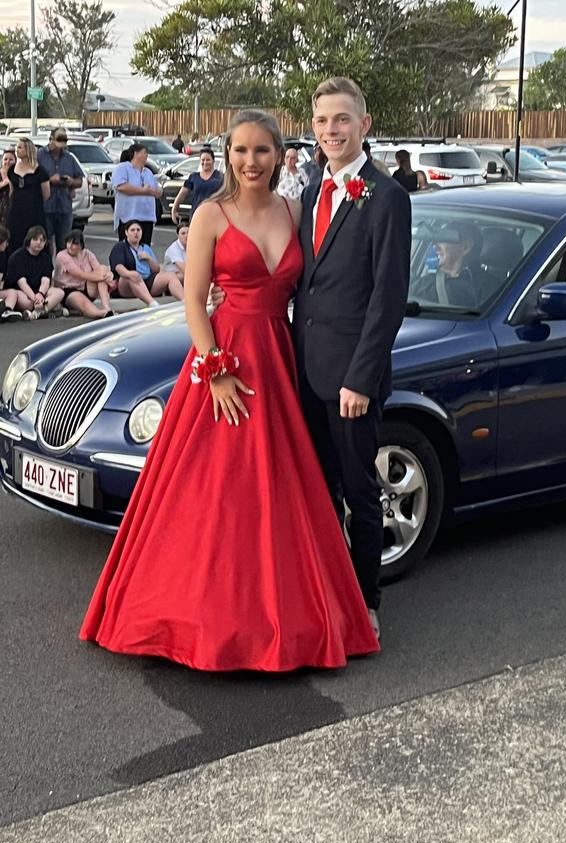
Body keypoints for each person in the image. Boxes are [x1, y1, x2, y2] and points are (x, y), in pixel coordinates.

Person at [79, 109, 379, 672]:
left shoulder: (297, 209)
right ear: (226, 155)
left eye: (261, 151)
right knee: (214, 491)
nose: (250, 162)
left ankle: (286, 616)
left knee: (282, 490)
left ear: (277, 155)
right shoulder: (212, 214)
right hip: (225, 359)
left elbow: (330, 282)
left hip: (280, 356)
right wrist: (215, 368)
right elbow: (193, 299)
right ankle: (200, 617)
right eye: (240, 151)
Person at [293, 77, 411, 638]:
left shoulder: (386, 197)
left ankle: (366, 606)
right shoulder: (312, 190)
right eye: (322, 121)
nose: (331, 130)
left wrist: (361, 379)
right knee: (316, 490)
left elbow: (387, 299)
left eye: (342, 120)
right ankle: (323, 597)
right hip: (307, 372)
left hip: (351, 383)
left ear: (364, 125)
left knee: (360, 491)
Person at [109, 219, 183, 305]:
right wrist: (128, 274)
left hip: (147, 281)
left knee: (171, 276)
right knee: (133, 275)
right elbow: (118, 267)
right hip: (127, 284)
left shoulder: (145, 247)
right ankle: (152, 303)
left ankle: (184, 301)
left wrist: (149, 259)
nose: (136, 233)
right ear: (126, 232)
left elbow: (156, 270)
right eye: (132, 230)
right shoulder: (120, 246)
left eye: (138, 230)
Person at [2, 225, 65, 320]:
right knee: (21, 298)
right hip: (22, 292)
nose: (39, 242)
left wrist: (40, 294)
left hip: (39, 292)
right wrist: (35, 298)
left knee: (59, 292)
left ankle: (37, 313)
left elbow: (46, 280)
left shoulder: (46, 258)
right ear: (29, 240)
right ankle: (45, 310)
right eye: (35, 239)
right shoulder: (17, 256)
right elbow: (21, 282)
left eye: (42, 240)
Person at [37, 127, 83, 254]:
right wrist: (50, 180)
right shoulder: (39, 155)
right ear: (50, 139)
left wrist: (71, 182)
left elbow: (80, 180)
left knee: (64, 244)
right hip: (46, 207)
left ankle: (62, 272)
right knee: (44, 243)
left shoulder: (69, 158)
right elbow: (33, 178)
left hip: (64, 207)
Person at [53, 228, 115, 318]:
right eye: (68, 242)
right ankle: (101, 313)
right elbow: (80, 274)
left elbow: (99, 269)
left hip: (86, 287)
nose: (70, 246)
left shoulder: (87, 254)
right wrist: (103, 277)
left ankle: (106, 306)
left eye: (74, 244)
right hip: (69, 290)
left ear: (81, 245)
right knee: (84, 303)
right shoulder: (62, 255)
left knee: (102, 269)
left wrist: (108, 274)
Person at [111, 144, 161, 246]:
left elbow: (158, 192)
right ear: (136, 154)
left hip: (147, 218)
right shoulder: (123, 168)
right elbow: (121, 186)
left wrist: (151, 191)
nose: (147, 155)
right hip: (129, 218)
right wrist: (142, 190)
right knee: (128, 250)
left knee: (144, 249)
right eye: (144, 152)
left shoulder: (148, 172)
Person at [7, 138, 50, 253]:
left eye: (20, 147)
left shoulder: (40, 171)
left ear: (28, 150)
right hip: (16, 213)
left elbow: (46, 194)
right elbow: (12, 192)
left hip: (34, 212)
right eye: (17, 147)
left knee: (33, 239)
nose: (17, 150)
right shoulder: (11, 170)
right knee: (15, 241)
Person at [170, 148, 223, 223]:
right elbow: (182, 194)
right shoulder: (193, 177)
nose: (205, 162)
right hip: (196, 215)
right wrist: (174, 210)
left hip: (216, 216)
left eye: (208, 160)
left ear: (213, 161)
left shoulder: (220, 177)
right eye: (203, 160)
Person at [0, 149, 16, 228]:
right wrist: (4, 183)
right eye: (5, 159)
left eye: (11, 159)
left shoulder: (17, 176)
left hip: (12, 212)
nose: (8, 162)